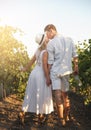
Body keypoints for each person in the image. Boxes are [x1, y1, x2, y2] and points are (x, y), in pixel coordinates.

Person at [44, 24, 78, 126]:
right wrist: (76, 66)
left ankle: (61, 120)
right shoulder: (70, 39)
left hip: (55, 71)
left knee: (57, 95)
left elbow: (50, 62)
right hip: (66, 71)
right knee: (65, 96)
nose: (47, 36)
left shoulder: (51, 43)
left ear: (51, 30)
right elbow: (75, 55)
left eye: (47, 33)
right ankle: (66, 116)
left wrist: (48, 76)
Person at [19, 33, 54, 125]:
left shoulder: (38, 50)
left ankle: (23, 113)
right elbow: (44, 67)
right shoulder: (45, 52)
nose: (47, 37)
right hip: (41, 75)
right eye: (46, 37)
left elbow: (31, 62)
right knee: (41, 94)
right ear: (44, 40)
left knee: (30, 94)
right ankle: (40, 116)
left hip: (33, 73)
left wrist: (24, 69)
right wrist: (47, 78)